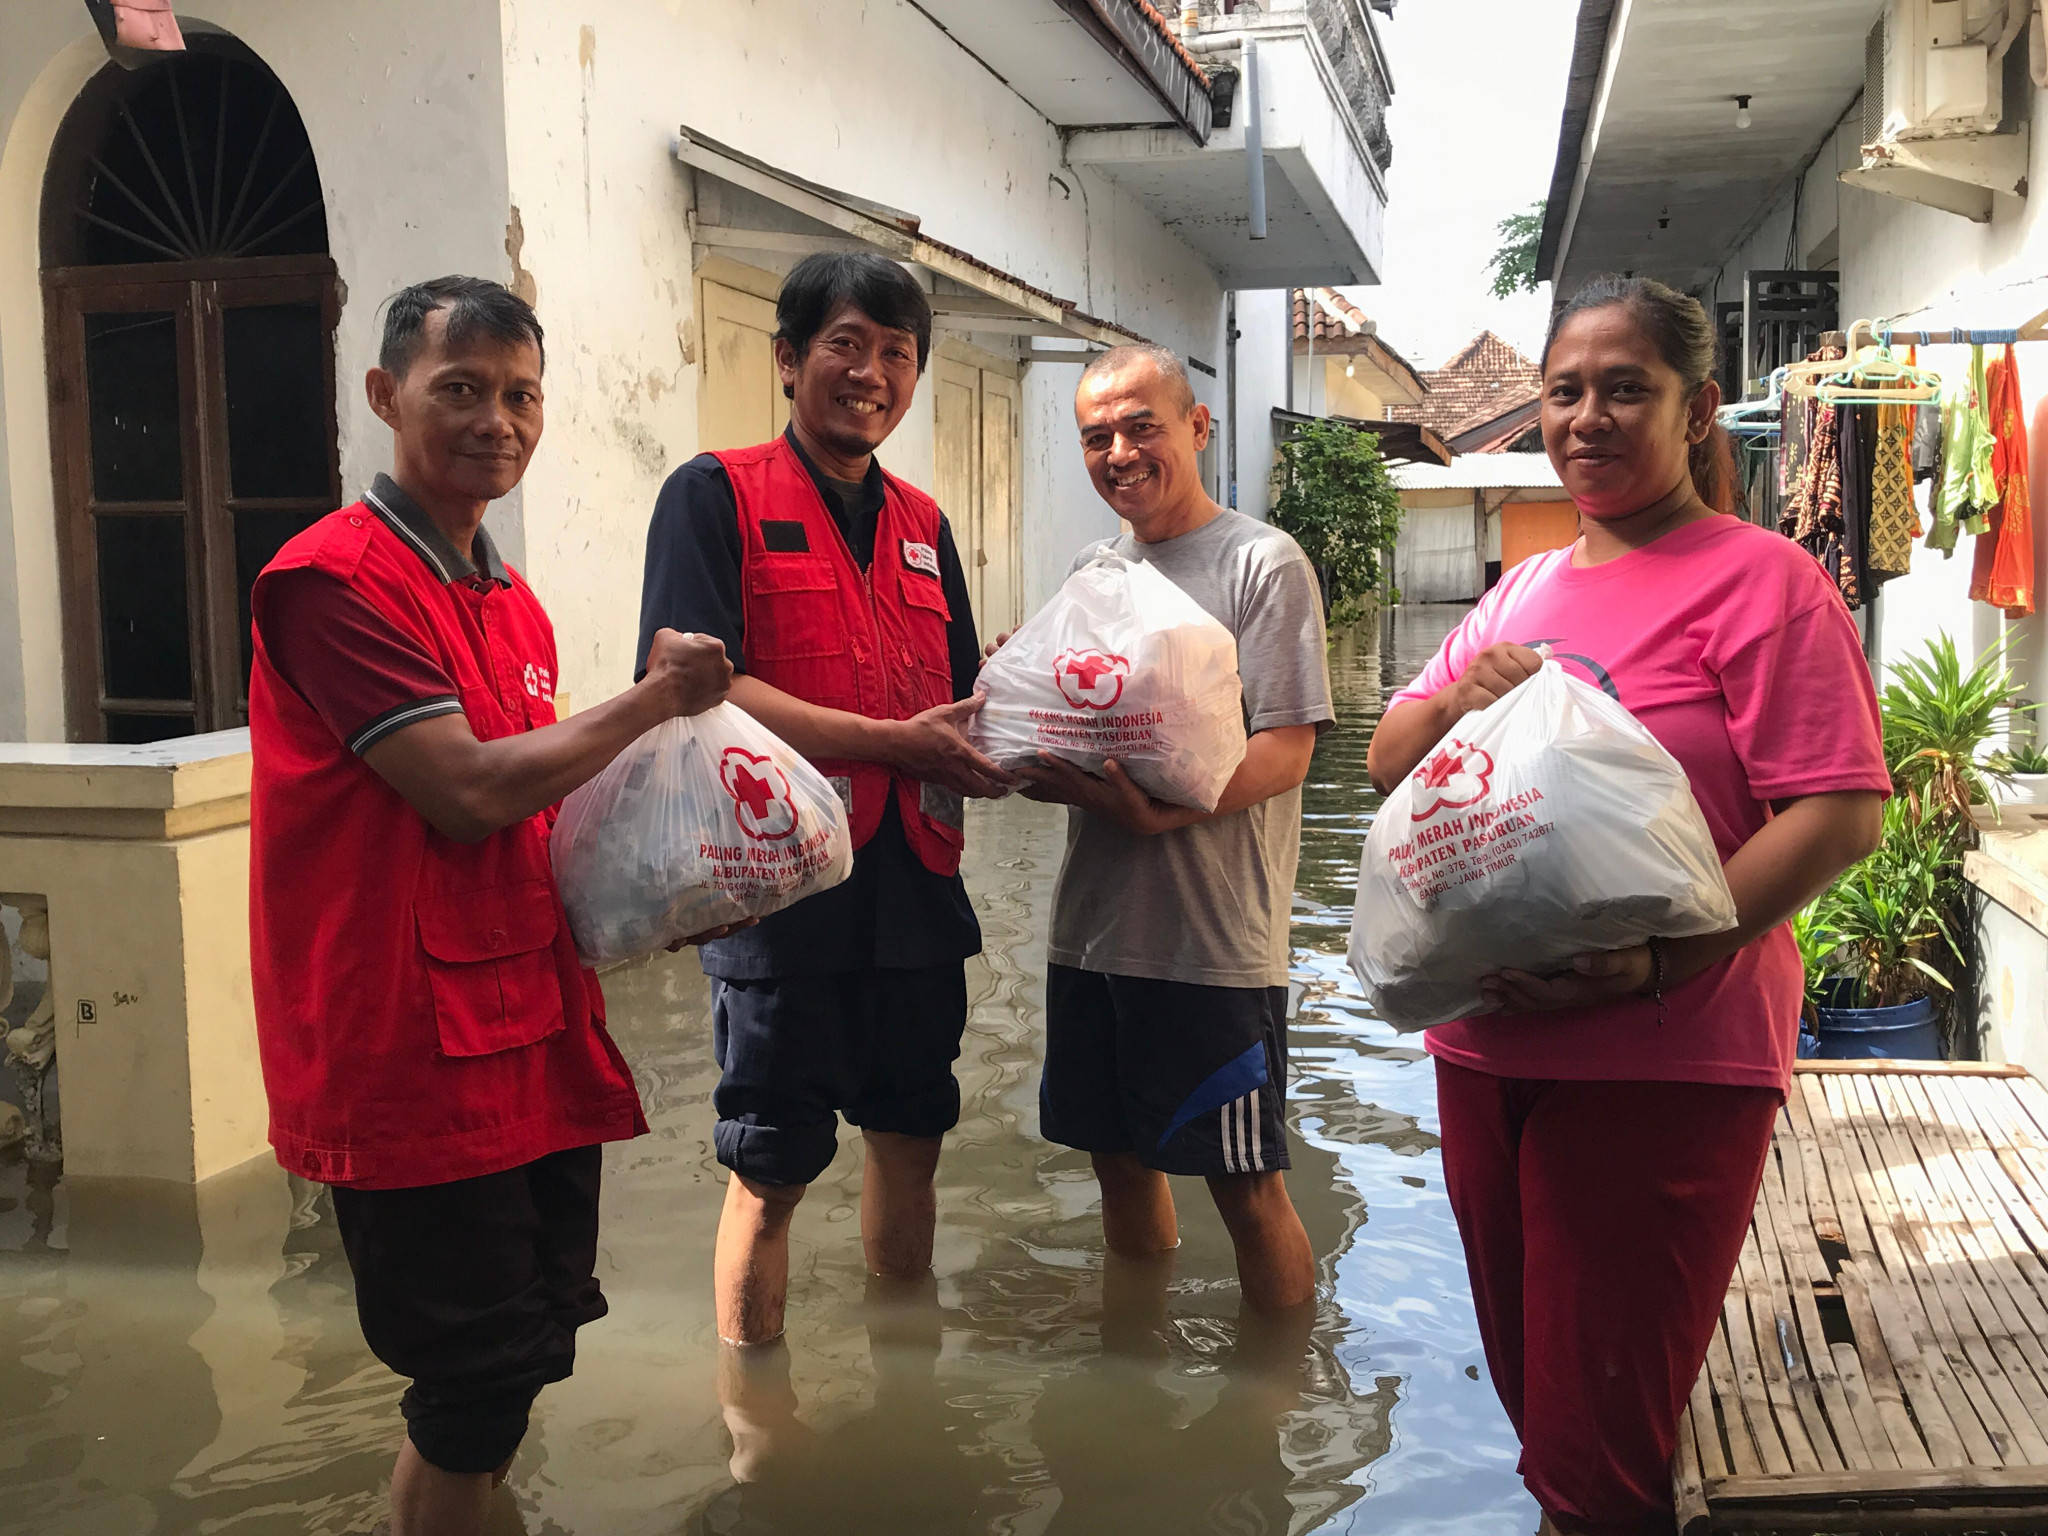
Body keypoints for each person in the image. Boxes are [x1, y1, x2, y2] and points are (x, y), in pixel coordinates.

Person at [1365, 275, 1888, 1535]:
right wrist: (1448, 703)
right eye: (1563, 392)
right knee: (1544, 1410)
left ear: (1698, 408)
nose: (1585, 416)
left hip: (1665, 1056)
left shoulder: (1760, 584)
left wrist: (1658, 960)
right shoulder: (1522, 591)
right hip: (1485, 1043)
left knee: (1599, 1456)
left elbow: (1837, 810)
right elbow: (1393, 765)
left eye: (1624, 390)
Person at [248, 275, 736, 1536]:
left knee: (516, 1362)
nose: (497, 421)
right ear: (384, 396)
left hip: (521, 1017)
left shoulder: (504, 598)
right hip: (408, 1041)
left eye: (521, 396)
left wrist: (680, 879)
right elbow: (463, 792)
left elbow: (538, 819)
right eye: (457, 389)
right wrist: (648, 702)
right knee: (470, 1383)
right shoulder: (332, 582)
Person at [637, 250, 1016, 1347]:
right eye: (845, 345)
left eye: (897, 353)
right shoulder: (713, 495)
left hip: (914, 886)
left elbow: (954, 699)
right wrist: (897, 741)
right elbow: (692, 690)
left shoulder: (923, 522)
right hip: (775, 896)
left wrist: (1026, 704)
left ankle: (907, 1379)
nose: (871, 373)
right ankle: (758, 1426)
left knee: (912, 1134)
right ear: (788, 359)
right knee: (768, 1162)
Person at [1015, 344, 1332, 1316]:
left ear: (1197, 427)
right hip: (1095, 932)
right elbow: (1079, 718)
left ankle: (1268, 1420)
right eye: (1095, 436)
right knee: (1116, 1165)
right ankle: (1133, 1356)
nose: (1118, 451)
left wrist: (1166, 806)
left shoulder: (1259, 564)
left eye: (1140, 425)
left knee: (1243, 1186)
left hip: (1210, 946)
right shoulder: (1091, 570)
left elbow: (1286, 750)